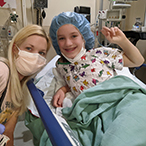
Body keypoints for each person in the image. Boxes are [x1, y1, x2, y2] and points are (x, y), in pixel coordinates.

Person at [49, 11, 144, 108]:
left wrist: (123, 41)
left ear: (84, 38)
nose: (68, 43)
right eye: (61, 38)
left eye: (74, 36)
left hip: (121, 100)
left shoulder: (99, 54)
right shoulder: (61, 65)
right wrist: (63, 90)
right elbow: (73, 82)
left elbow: (137, 61)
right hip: (97, 110)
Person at [0, 24, 50, 146]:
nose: (35, 56)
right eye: (29, 48)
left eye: (42, 53)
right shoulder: (2, 71)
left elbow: (8, 133)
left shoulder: (20, 91)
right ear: (15, 49)